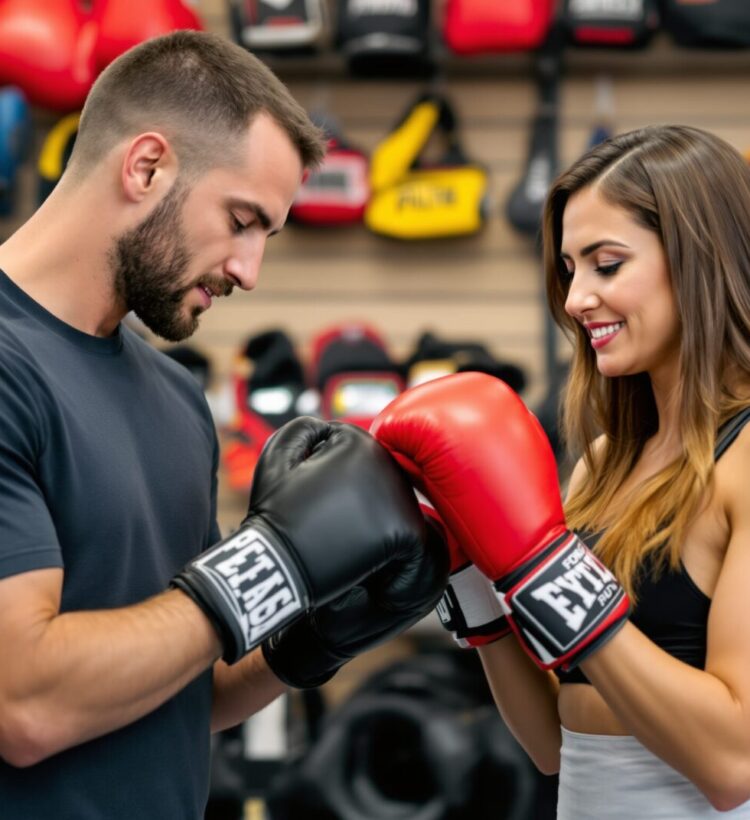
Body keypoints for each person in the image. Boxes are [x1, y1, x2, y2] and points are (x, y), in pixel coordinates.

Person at [0, 30, 449, 819]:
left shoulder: (176, 400)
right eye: (241, 220)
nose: (249, 270)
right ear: (147, 167)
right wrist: (272, 562)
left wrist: (315, 634)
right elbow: (26, 705)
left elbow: (181, 687)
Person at [371, 124, 750, 818]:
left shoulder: (745, 461)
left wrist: (550, 574)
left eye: (607, 265)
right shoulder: (605, 465)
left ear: (699, 259)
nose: (576, 301)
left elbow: (733, 762)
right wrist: (471, 579)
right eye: (571, 270)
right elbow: (554, 741)